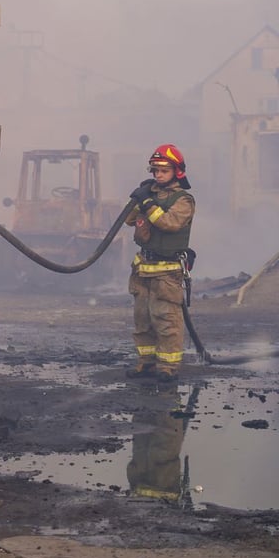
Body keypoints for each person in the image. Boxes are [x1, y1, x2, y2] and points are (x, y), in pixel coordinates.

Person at [125, 144, 196, 384]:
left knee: (166, 321)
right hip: (143, 268)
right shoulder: (149, 195)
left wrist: (147, 203)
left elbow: (169, 223)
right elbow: (128, 220)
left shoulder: (184, 200)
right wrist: (139, 198)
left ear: (177, 172)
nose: (158, 175)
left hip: (167, 273)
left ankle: (168, 366)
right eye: (155, 170)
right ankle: (146, 363)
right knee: (142, 320)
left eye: (163, 171)